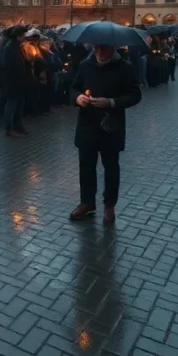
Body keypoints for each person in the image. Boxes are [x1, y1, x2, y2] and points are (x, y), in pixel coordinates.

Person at [69, 44, 142, 224]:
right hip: (87, 124)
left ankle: (109, 205)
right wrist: (78, 98)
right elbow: (73, 87)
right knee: (86, 166)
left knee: (111, 167)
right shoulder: (85, 65)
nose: (99, 54)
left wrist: (111, 102)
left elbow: (135, 95)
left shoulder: (125, 67)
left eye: (104, 50)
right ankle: (87, 202)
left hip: (111, 125)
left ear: (113, 49)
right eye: (96, 49)